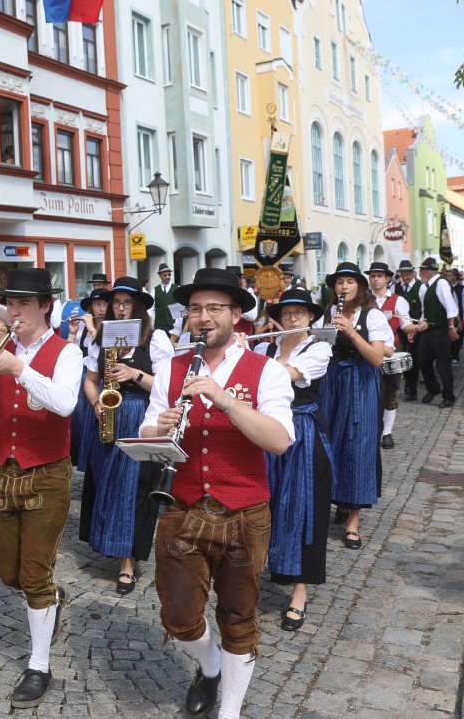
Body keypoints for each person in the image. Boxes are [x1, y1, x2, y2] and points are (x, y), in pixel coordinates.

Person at [139, 266, 294, 719]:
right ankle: (209, 667)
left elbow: (279, 441)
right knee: (179, 618)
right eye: (195, 309)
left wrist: (226, 400)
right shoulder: (170, 368)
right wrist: (159, 426)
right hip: (181, 505)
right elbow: (146, 433)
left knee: (238, 617)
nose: (204, 317)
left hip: (244, 511)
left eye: (214, 308)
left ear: (235, 315)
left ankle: (229, 711)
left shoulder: (266, 370)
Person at [0, 269, 83, 709]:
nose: (14, 312)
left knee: (34, 574)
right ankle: (52, 599)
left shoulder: (67, 352)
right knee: (8, 572)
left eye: (23, 304)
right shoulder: (0, 351)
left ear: (45, 306)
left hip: (47, 473)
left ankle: (39, 665)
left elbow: (65, 404)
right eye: (10, 304)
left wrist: (20, 369)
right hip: (4, 472)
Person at [81, 276, 175, 594]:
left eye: (127, 303)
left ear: (138, 307)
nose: (121, 309)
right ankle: (109, 543)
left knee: (134, 489)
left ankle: (128, 563)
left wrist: (135, 373)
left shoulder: (155, 338)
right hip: (109, 415)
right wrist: (96, 403)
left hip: (140, 416)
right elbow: (90, 380)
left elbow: (167, 386)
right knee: (107, 484)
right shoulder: (101, 337)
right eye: (117, 303)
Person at [252, 289, 333, 633]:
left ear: (311, 317)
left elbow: (285, 375)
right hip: (267, 429)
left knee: (304, 509)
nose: (292, 319)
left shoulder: (319, 349)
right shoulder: (263, 348)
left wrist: (247, 358)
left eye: (299, 313)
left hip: (303, 432)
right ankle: (253, 575)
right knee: (261, 505)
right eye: (287, 313)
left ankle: (299, 593)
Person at [318, 262, 392, 552]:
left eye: (349, 282)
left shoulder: (371, 315)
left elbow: (376, 358)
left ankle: (353, 521)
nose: (344, 287)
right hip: (331, 382)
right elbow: (318, 350)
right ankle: (339, 499)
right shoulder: (327, 313)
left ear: (359, 286)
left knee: (358, 446)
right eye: (339, 282)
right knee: (329, 443)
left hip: (361, 382)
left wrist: (350, 332)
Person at [367, 262, 417, 450]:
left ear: (388, 278)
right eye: (372, 276)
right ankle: (371, 429)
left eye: (379, 276)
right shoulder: (363, 299)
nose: (375, 279)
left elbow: (406, 326)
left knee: (391, 391)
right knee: (369, 391)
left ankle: (387, 433)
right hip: (367, 348)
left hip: (392, 348)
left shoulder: (398, 300)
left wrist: (417, 327)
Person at [70, 287, 111, 471]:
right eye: (97, 304)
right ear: (91, 308)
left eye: (104, 304)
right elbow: (70, 353)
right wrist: (73, 332)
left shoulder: (111, 328)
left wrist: (93, 329)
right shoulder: (83, 330)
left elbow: (102, 351)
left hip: (104, 383)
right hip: (85, 384)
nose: (101, 309)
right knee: (81, 425)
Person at [415, 258, 461, 408]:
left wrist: (451, 326)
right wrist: (417, 327)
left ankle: (449, 396)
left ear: (425, 271)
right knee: (422, 360)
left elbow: (450, 306)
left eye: (421, 271)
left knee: (442, 365)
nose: (420, 273)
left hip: (440, 330)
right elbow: (424, 311)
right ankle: (433, 388)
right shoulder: (424, 287)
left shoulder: (441, 283)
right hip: (428, 330)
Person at [395, 260, 426, 402]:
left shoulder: (421, 287)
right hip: (400, 328)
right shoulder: (395, 287)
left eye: (407, 275)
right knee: (402, 355)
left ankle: (412, 389)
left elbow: (424, 309)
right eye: (403, 275)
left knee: (413, 357)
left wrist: (417, 326)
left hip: (416, 328)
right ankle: (406, 379)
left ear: (413, 273)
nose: (405, 277)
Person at [446, 269, 464, 365]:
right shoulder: (445, 287)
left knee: (458, 335)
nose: (448, 277)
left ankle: (455, 355)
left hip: (459, 314)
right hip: (448, 315)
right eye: (447, 276)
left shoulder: (462, 288)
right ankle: (450, 354)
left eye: (450, 275)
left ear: (455, 277)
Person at [153, 262, 179, 336]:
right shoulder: (154, 290)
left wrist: (178, 323)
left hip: (173, 324)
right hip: (159, 325)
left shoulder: (176, 288)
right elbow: (151, 308)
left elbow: (180, 307)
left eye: (169, 275)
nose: (167, 277)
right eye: (165, 275)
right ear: (160, 276)